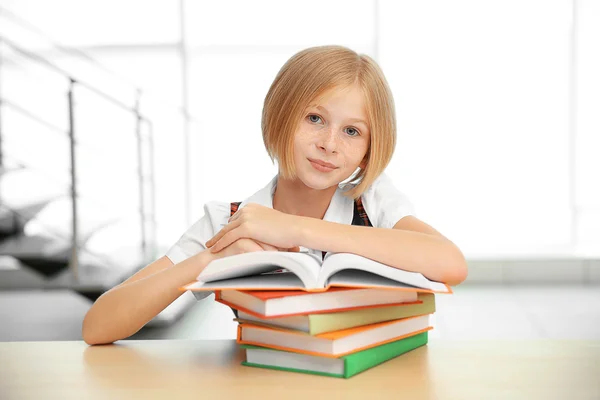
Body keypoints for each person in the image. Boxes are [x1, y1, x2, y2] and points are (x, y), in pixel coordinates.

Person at [82, 45, 467, 346]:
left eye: (352, 131)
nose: (329, 144)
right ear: (281, 115)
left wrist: (297, 230)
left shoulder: (373, 201)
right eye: (314, 118)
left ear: (369, 148)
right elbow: (97, 326)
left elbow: (451, 263)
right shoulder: (229, 221)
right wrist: (208, 260)